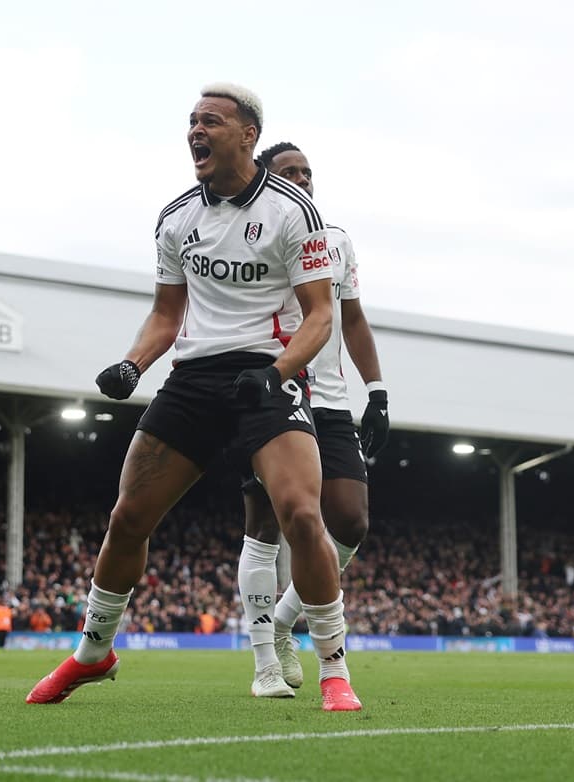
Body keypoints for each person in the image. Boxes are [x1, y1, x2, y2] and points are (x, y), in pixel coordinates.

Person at [27, 83, 362, 711]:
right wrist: (131, 365)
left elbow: (321, 317)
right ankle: (93, 654)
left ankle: (333, 671)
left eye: (211, 121)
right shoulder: (176, 218)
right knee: (128, 516)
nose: (196, 131)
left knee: (300, 513)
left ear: (247, 135)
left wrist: (280, 370)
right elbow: (165, 315)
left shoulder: (294, 212)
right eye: (191, 122)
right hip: (195, 379)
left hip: (266, 376)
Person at [236, 141, 388, 697]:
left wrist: (377, 391)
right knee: (265, 524)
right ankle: (264, 664)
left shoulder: (336, 241)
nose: (301, 179)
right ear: (265, 180)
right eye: (288, 172)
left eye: (307, 171)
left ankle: (281, 620)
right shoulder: (251, 234)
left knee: (349, 520)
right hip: (272, 392)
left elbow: (354, 321)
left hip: (328, 400)